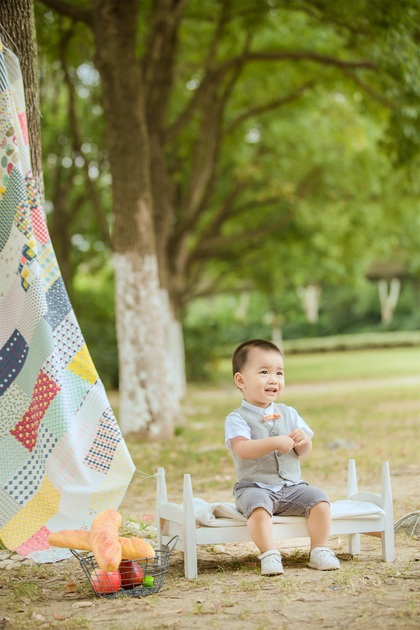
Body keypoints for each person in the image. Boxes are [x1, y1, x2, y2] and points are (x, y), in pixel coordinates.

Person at [224, 338, 340, 576]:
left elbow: (304, 451)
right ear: (241, 380)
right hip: (254, 487)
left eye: (279, 373)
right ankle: (269, 553)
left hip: (291, 487)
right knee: (258, 507)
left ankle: (319, 549)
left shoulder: (289, 413)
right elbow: (242, 449)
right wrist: (275, 442)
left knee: (319, 500)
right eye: (264, 372)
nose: (273, 379)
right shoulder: (237, 418)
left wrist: (303, 441)